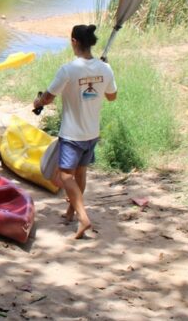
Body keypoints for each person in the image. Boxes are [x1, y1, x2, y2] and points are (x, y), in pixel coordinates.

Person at [32, 24, 117, 239]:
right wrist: (101, 76)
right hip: (92, 132)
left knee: (64, 175)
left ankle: (82, 217)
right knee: (80, 173)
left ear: (74, 41)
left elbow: (49, 97)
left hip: (72, 134)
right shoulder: (105, 69)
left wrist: (37, 102)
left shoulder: (68, 70)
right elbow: (111, 96)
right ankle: (70, 212)